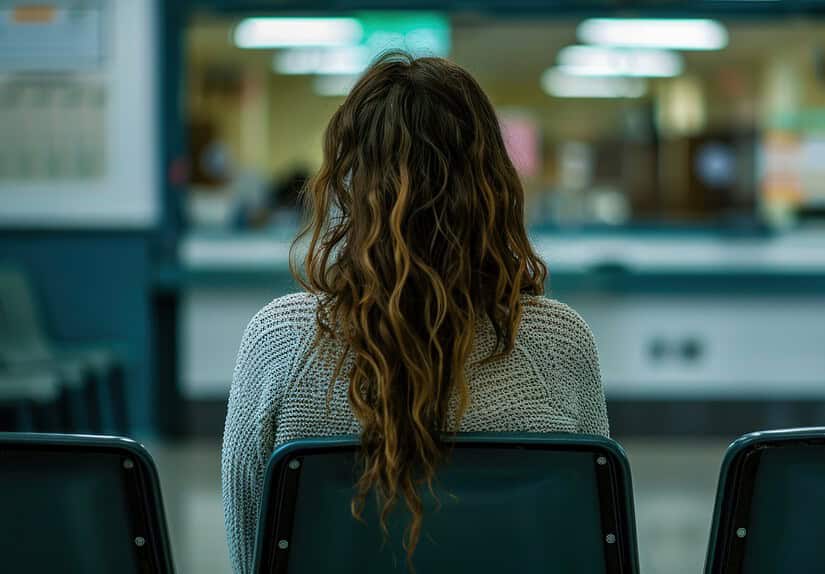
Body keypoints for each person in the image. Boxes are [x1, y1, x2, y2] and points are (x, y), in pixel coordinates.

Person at [221, 51, 608, 574]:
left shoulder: (283, 343)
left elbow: (253, 557)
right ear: (494, 186)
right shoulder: (558, 344)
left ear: (349, 185)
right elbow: (585, 549)